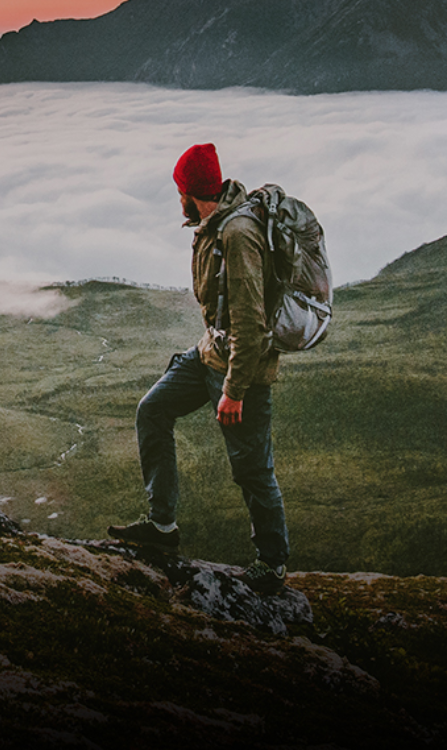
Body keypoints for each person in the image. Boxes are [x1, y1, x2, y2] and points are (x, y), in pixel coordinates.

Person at [108, 142, 289, 595]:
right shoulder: (213, 225)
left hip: (239, 372)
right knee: (153, 410)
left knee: (251, 470)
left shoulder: (237, 234)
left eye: (180, 191)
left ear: (192, 191)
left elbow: (252, 322)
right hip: (209, 355)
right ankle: (163, 526)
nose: (178, 200)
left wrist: (235, 390)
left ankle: (272, 564)